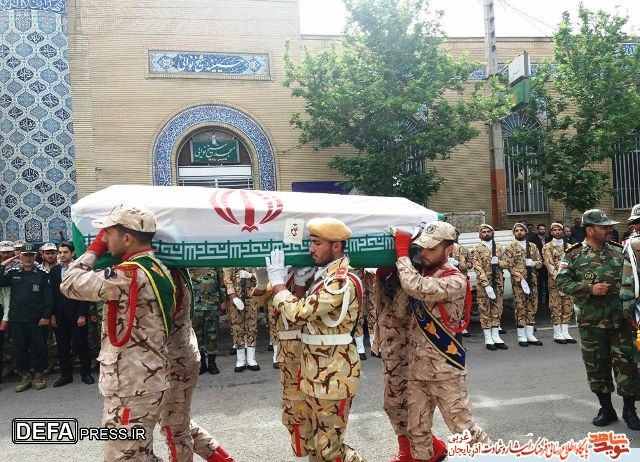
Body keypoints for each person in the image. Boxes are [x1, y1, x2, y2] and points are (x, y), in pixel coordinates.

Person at [60, 204, 176, 460]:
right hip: (145, 382)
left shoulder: (127, 275)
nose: (104, 239)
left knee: (122, 457)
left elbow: (69, 283)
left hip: (132, 389)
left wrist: (93, 251)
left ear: (127, 239)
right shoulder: (158, 268)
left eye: (108, 234)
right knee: (141, 454)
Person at [265, 217, 368, 462]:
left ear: (336, 246)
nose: (310, 249)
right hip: (314, 375)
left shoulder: (340, 281)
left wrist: (278, 284)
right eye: (311, 242)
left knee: (329, 450)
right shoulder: (324, 278)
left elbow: (299, 313)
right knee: (314, 445)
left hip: (334, 377)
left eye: (317, 243)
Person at [393, 221, 490, 462]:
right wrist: (394, 276)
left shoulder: (454, 279)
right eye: (421, 248)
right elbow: (399, 310)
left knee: (463, 429)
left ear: (448, 250)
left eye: (431, 248)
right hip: (418, 369)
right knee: (416, 430)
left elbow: (417, 287)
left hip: (445, 368)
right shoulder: (420, 274)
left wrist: (402, 256)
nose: (423, 252)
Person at [557, 209, 640, 431]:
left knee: (627, 366)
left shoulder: (620, 251)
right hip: (591, 323)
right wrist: (589, 288)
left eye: (609, 226)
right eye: (604, 227)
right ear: (590, 230)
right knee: (597, 367)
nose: (609, 229)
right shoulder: (573, 255)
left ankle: (629, 410)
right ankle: (606, 408)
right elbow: (561, 282)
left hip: (621, 322)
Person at [159, 267, 237, 462]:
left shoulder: (160, 274)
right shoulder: (171, 270)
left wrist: (94, 253)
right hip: (174, 360)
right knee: (178, 425)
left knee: (175, 430)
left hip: (172, 362)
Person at [373, 266, 447, 462]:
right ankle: (424, 448)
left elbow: (400, 310)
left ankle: (424, 449)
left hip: (407, 350)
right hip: (391, 350)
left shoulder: (412, 277)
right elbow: (380, 309)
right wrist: (380, 275)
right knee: (394, 404)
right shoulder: (384, 276)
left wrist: (401, 271)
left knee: (403, 404)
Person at [252, 266, 315, 462]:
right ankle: (301, 457)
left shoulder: (315, 275)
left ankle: (315, 455)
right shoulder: (279, 276)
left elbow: (302, 312)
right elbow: (258, 301)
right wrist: (262, 282)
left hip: (314, 353)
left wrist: (300, 285)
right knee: (294, 412)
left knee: (317, 413)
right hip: (288, 356)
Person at [0, 243, 53, 392]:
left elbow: (49, 297)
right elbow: (0, 281)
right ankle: (24, 376)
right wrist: (5, 264)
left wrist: (46, 316)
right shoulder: (13, 272)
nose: (28, 258)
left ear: (35, 256)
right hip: (17, 317)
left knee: (40, 347)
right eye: (25, 255)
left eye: (31, 255)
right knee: (19, 348)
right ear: (20, 256)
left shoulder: (43, 273)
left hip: (37, 318)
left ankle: (39, 374)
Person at [50, 242, 95, 387]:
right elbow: (53, 294)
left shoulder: (80, 269)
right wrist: (52, 314)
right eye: (60, 252)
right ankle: (66, 375)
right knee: (62, 346)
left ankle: (86, 373)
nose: (62, 255)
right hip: (60, 315)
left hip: (76, 314)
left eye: (65, 252)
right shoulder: (54, 271)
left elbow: (85, 293)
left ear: (73, 253)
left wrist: (82, 314)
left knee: (82, 345)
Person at [504, 223, 543, 347]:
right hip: (518, 283)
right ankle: (521, 335)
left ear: (526, 232)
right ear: (514, 233)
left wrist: (534, 263)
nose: (519, 232)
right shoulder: (510, 247)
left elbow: (540, 262)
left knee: (532, 306)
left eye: (522, 230)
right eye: (517, 230)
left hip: (532, 281)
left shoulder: (532, 246)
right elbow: (509, 265)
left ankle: (530, 334)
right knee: (520, 307)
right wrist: (521, 279)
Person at [471, 224, 508, 351]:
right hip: (484, 285)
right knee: (485, 310)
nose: (486, 234)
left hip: (498, 282)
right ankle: (488, 338)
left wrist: (499, 262)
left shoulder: (498, 248)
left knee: (497, 309)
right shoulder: (476, 249)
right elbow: (477, 268)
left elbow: (507, 263)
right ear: (480, 234)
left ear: (492, 233)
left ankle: (496, 336)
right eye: (484, 232)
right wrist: (486, 285)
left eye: (489, 232)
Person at [542, 223, 577, 345]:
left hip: (568, 281)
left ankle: (565, 332)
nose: (557, 232)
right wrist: (559, 282)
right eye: (555, 230)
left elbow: (574, 263)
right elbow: (549, 265)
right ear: (551, 232)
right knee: (556, 306)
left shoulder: (569, 246)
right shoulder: (547, 247)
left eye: (559, 230)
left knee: (568, 305)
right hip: (555, 282)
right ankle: (557, 333)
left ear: (563, 231)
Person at [190, 267, 227, 375]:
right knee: (197, 336)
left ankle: (212, 364)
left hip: (212, 305)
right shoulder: (189, 264)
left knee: (212, 334)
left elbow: (221, 283)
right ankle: (201, 364)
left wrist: (223, 300)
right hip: (195, 306)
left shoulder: (214, 263)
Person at [223, 267, 259, 372]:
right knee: (237, 328)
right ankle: (240, 360)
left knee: (252, 328)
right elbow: (227, 279)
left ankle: (251, 359)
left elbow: (261, 275)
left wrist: (250, 275)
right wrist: (233, 297)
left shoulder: (252, 259)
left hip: (252, 297)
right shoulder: (231, 261)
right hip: (235, 299)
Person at [451, 228, 473, 338]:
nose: (454, 236)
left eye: (456, 234)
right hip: (450, 280)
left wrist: (458, 264)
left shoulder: (463, 250)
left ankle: (463, 325)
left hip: (461, 278)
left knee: (463, 303)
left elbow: (469, 264)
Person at [0, 240, 14, 386]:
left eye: (9, 252)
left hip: (13, 307)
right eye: (3, 252)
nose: (6, 254)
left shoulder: (20, 265)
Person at [530, 224, 549, 307]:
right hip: (539, 264)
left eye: (544, 229)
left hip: (547, 264)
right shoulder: (533, 240)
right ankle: (539, 300)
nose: (542, 231)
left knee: (548, 282)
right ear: (538, 230)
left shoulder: (548, 239)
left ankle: (548, 299)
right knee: (539, 283)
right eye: (541, 229)